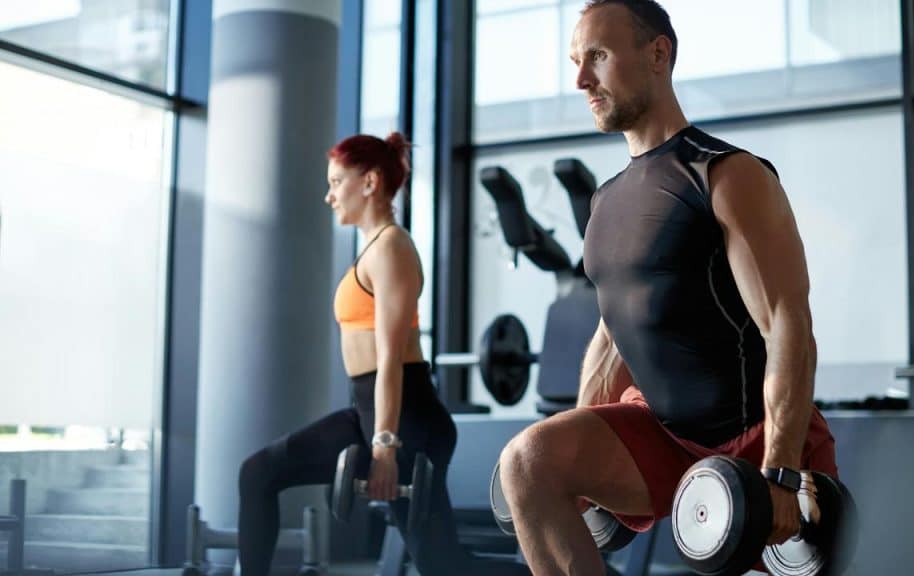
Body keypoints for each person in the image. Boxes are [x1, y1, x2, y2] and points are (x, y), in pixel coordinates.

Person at [497, 2, 839, 575]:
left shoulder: (726, 174)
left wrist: (780, 471)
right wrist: (577, 442)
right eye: (576, 61)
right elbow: (613, 337)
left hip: (754, 440)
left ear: (658, 54)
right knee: (528, 462)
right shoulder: (606, 202)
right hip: (659, 434)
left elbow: (787, 325)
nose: (581, 80)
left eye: (598, 56)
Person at [237, 132, 525, 575]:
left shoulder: (391, 248)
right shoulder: (373, 248)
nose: (330, 195)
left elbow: (390, 358)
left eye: (337, 182)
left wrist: (386, 445)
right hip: (369, 413)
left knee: (445, 567)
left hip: (406, 420)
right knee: (259, 473)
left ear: (369, 183)